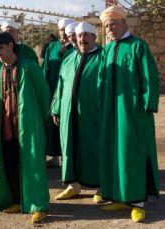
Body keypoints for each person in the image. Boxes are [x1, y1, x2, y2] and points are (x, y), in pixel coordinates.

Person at [98, 5, 160, 222]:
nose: (110, 28)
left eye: (113, 23)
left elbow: (150, 78)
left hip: (133, 112)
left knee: (132, 153)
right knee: (115, 153)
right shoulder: (107, 49)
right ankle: (119, 196)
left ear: (124, 23)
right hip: (111, 112)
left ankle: (138, 201)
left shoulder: (138, 46)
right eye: (106, 26)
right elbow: (100, 80)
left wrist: (147, 105)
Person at [0, 32, 50, 224]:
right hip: (7, 127)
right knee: (10, 163)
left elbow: (43, 94)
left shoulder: (30, 67)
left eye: (0, 48)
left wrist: (39, 119)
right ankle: (17, 200)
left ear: (10, 45)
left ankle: (38, 206)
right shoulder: (0, 70)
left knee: (33, 165)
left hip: (28, 126)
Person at [51, 22, 103, 203]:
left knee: (94, 147)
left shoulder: (103, 57)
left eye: (86, 35)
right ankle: (73, 185)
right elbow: (60, 85)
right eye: (79, 36)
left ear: (94, 37)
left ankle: (101, 186)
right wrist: (56, 108)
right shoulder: (69, 58)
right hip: (67, 112)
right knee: (69, 147)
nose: (82, 39)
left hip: (93, 114)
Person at [42, 18, 75, 167]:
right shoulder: (51, 47)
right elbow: (46, 69)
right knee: (53, 124)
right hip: (53, 90)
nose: (64, 33)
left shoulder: (76, 47)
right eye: (61, 30)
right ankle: (55, 157)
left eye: (67, 29)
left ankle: (67, 159)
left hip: (70, 92)